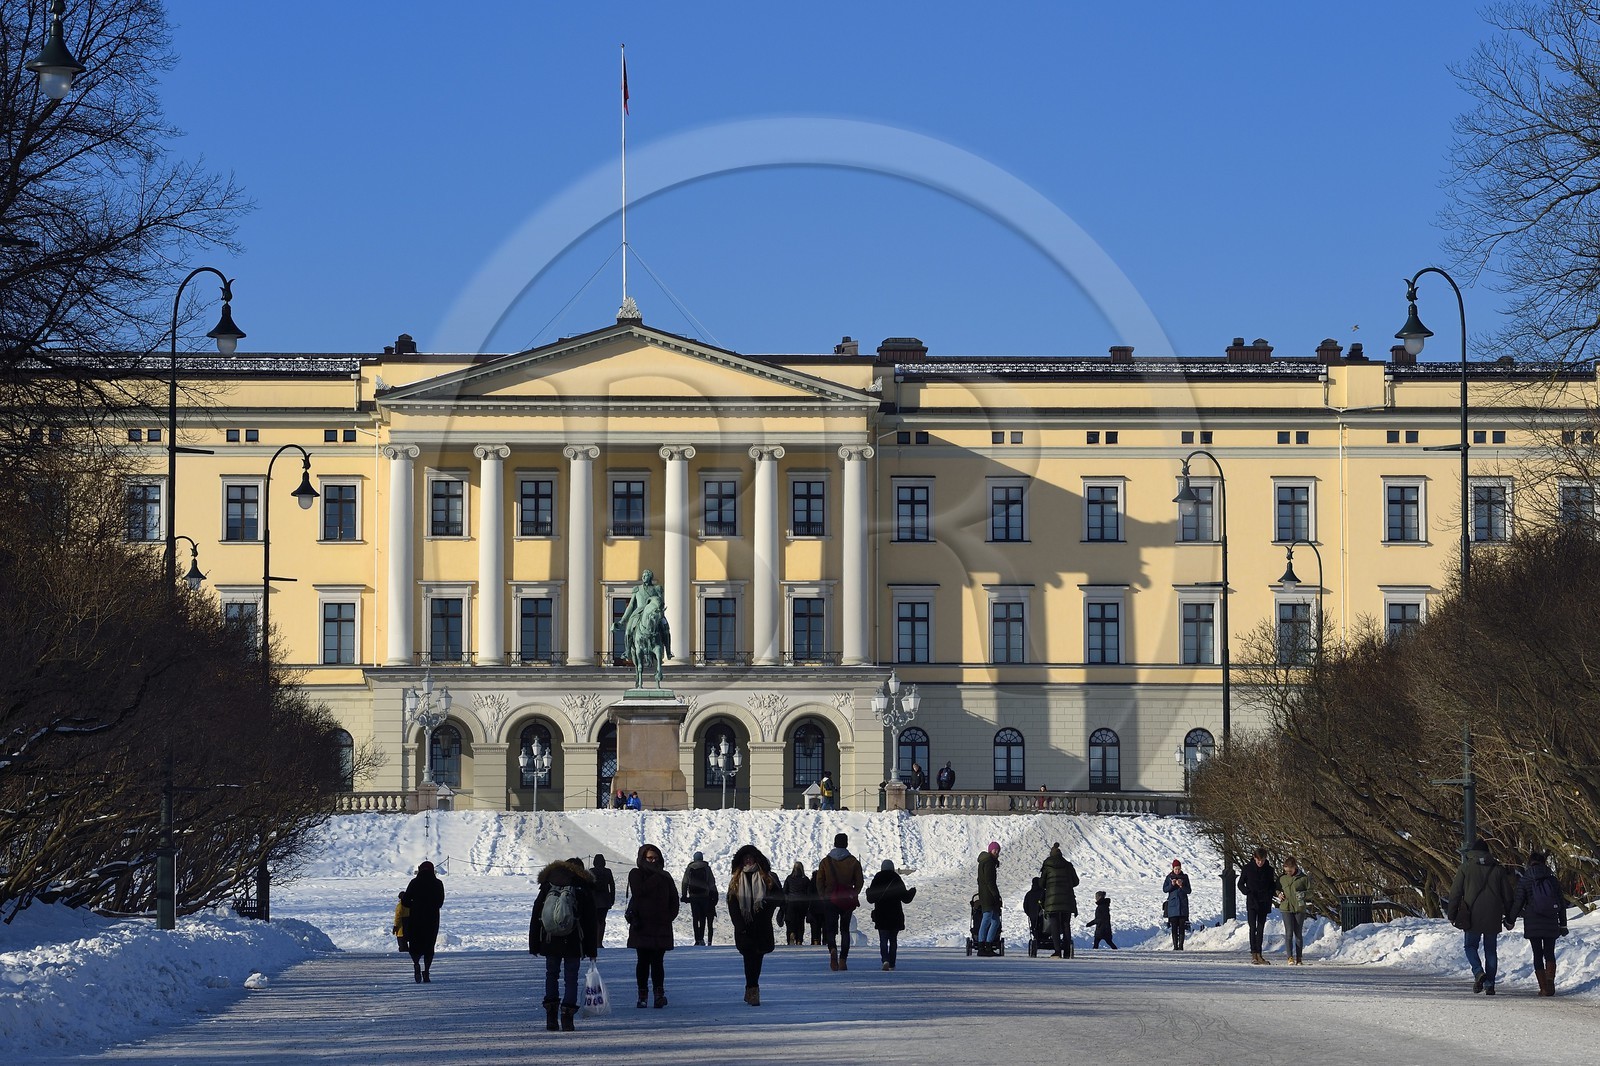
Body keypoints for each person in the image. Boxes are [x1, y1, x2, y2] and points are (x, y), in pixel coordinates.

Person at [528, 856, 599, 1032]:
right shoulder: (582, 886)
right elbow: (591, 921)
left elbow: (536, 913)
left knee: (551, 974)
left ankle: (551, 1018)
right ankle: (567, 1018)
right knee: (571, 978)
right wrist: (592, 949)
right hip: (573, 941)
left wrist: (534, 944)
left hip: (549, 939)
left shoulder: (548, 884)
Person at [1447, 837, 1517, 996]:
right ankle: (1490, 984)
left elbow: (1455, 893)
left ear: (1472, 853)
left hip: (1472, 914)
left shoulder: (1465, 868)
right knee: (1491, 950)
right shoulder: (1498, 869)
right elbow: (1508, 896)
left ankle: (1479, 972)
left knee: (1470, 946)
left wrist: (1452, 914)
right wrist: (1509, 918)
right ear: (1487, 853)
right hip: (1493, 914)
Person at [1509, 849, 1570, 996]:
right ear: (1544, 863)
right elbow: (1560, 903)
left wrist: (1510, 920)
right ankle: (1550, 980)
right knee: (1549, 952)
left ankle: (1543, 988)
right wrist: (1563, 924)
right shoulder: (1552, 880)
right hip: (1550, 920)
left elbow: (1518, 902)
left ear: (1530, 864)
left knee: (1537, 953)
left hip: (1533, 921)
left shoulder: (1525, 880)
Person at [625, 843, 679, 1008]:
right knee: (642, 961)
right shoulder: (636, 874)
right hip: (642, 925)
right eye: (650, 858)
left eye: (656, 858)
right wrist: (657, 875)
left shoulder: (666, 876)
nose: (653, 861)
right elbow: (639, 891)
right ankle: (642, 994)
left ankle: (658, 994)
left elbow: (674, 899)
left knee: (658, 962)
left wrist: (669, 916)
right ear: (643, 858)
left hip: (661, 925)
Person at [726, 844, 781, 1005]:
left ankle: (751, 989)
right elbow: (732, 904)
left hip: (762, 925)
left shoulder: (767, 877)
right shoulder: (736, 880)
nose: (748, 861)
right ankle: (753, 990)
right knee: (749, 958)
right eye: (745, 858)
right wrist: (739, 924)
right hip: (745, 927)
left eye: (750, 858)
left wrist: (766, 906)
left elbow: (780, 898)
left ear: (757, 859)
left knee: (757, 958)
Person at [816, 832, 864, 971]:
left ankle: (832, 949)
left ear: (834, 843)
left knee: (830, 929)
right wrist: (854, 893)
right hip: (846, 900)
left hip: (830, 899)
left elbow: (819, 880)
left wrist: (822, 895)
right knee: (845, 930)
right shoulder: (853, 861)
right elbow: (860, 881)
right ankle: (843, 959)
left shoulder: (826, 861)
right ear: (846, 843)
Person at [866, 859, 917, 970]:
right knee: (893, 940)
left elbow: (871, 899)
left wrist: (868, 891)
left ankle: (885, 960)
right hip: (895, 915)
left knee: (883, 940)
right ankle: (892, 963)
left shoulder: (877, 879)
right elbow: (906, 899)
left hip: (881, 915)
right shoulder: (896, 879)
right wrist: (912, 891)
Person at [402, 860, 445, 983]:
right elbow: (440, 902)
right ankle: (426, 971)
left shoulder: (414, 882)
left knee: (415, 943)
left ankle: (416, 963)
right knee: (429, 945)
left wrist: (414, 904)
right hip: (432, 919)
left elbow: (405, 901)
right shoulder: (438, 883)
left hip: (416, 917)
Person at [1038, 841, 1079, 958]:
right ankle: (1066, 951)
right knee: (1066, 924)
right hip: (1067, 899)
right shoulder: (1068, 865)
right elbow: (1076, 882)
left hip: (1052, 901)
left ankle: (1057, 951)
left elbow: (1041, 884)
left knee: (1055, 925)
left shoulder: (1047, 866)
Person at [1238, 847, 1277, 964]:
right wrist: (1247, 891)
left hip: (1264, 902)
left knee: (1260, 928)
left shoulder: (1269, 870)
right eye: (1258, 860)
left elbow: (1272, 885)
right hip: (1252, 901)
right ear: (1254, 858)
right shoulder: (1247, 868)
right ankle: (1253, 953)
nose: (1260, 862)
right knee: (1252, 928)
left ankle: (1259, 954)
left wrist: (1270, 893)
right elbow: (1240, 884)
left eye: (1263, 860)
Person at [681, 851, 719, 945]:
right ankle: (701, 939)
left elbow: (685, 882)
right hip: (705, 896)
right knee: (702, 918)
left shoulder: (689, 868)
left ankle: (696, 939)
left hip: (693, 897)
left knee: (695, 918)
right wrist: (713, 896)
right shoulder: (706, 868)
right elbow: (711, 883)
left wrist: (684, 895)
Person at [1276, 857, 1309, 965]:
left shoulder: (1303, 878)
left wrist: (1303, 895)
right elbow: (1276, 888)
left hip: (1299, 908)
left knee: (1298, 934)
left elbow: (1311, 892)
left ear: (1295, 867)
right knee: (1289, 933)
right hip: (1286, 907)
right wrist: (1278, 894)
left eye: (1290, 871)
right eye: (1286, 871)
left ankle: (1299, 958)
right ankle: (1290, 957)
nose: (1288, 873)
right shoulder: (1282, 878)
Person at [975, 841, 1002, 956]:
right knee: (987, 918)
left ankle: (988, 945)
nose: (996, 852)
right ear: (990, 850)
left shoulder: (985, 862)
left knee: (995, 921)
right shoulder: (988, 862)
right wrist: (996, 895)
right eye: (995, 850)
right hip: (988, 895)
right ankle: (982, 946)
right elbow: (990, 881)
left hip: (985, 894)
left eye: (998, 850)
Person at [589, 854, 616, 950]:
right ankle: (599, 942)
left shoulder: (591, 871)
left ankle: (595, 942)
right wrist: (612, 898)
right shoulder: (607, 871)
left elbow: (588, 887)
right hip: (605, 899)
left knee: (595, 921)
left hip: (594, 899)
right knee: (602, 921)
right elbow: (612, 886)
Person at [1164, 860, 1191, 950]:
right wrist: (1171, 885)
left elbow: (1189, 891)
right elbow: (1165, 889)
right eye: (1176, 869)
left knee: (1182, 926)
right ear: (1173, 868)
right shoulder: (1169, 877)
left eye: (1179, 869)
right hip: (1173, 906)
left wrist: (1181, 886)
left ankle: (1181, 946)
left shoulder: (1185, 877)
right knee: (1174, 926)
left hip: (1182, 905)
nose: (1177, 871)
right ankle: (1175, 946)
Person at [782, 861, 811, 946]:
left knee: (791, 922)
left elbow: (784, 891)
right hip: (802, 904)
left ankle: (791, 934)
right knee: (800, 922)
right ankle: (799, 940)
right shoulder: (805, 879)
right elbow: (809, 893)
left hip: (791, 903)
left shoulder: (789, 878)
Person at [1021, 876, 1045, 952]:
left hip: (1032, 915)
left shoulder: (1029, 894)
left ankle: (1036, 939)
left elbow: (1025, 906)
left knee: (1035, 928)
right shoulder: (1044, 892)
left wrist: (1029, 913)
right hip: (1042, 915)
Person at [806, 865, 826, 945]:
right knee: (825, 926)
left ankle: (815, 940)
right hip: (824, 908)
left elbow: (808, 894)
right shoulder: (825, 883)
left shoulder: (811, 883)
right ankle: (826, 940)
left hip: (813, 908)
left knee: (814, 927)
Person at [392, 891, 409, 955]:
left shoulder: (400, 905)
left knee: (402, 945)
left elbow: (397, 917)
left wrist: (395, 926)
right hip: (410, 927)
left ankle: (404, 956)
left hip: (401, 927)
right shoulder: (411, 904)